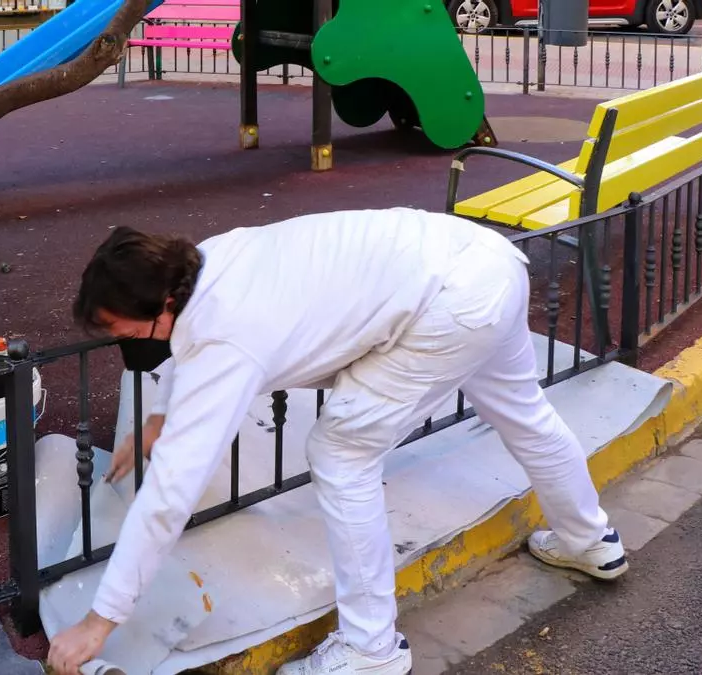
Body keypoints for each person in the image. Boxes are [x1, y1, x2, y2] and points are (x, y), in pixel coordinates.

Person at [46, 208, 628, 675]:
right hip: (485, 260)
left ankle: (371, 649)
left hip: (447, 305)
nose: (123, 343)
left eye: (122, 329)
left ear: (164, 303)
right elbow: (189, 345)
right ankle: (588, 539)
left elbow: (169, 495)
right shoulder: (207, 260)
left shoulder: (226, 337)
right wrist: (160, 417)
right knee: (525, 411)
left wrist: (100, 622)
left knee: (340, 453)